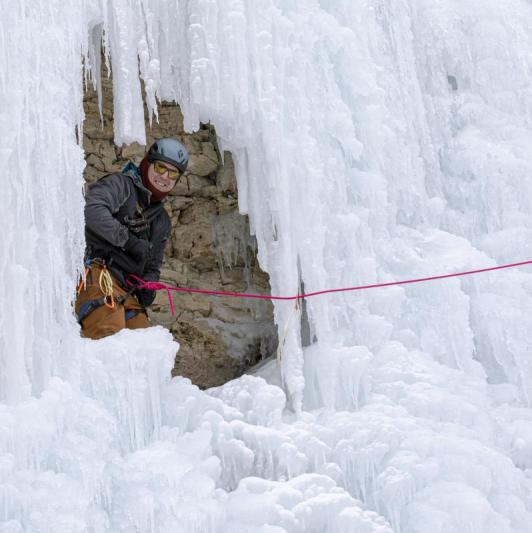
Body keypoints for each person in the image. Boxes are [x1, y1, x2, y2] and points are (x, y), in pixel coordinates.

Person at [75, 138, 189, 339]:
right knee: (108, 331)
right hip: (95, 270)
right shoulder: (121, 186)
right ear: (147, 163)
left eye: (173, 173)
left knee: (144, 340)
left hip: (126, 289)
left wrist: (148, 285)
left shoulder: (161, 220)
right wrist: (127, 240)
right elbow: (92, 210)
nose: (165, 177)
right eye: (160, 167)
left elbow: (153, 265)